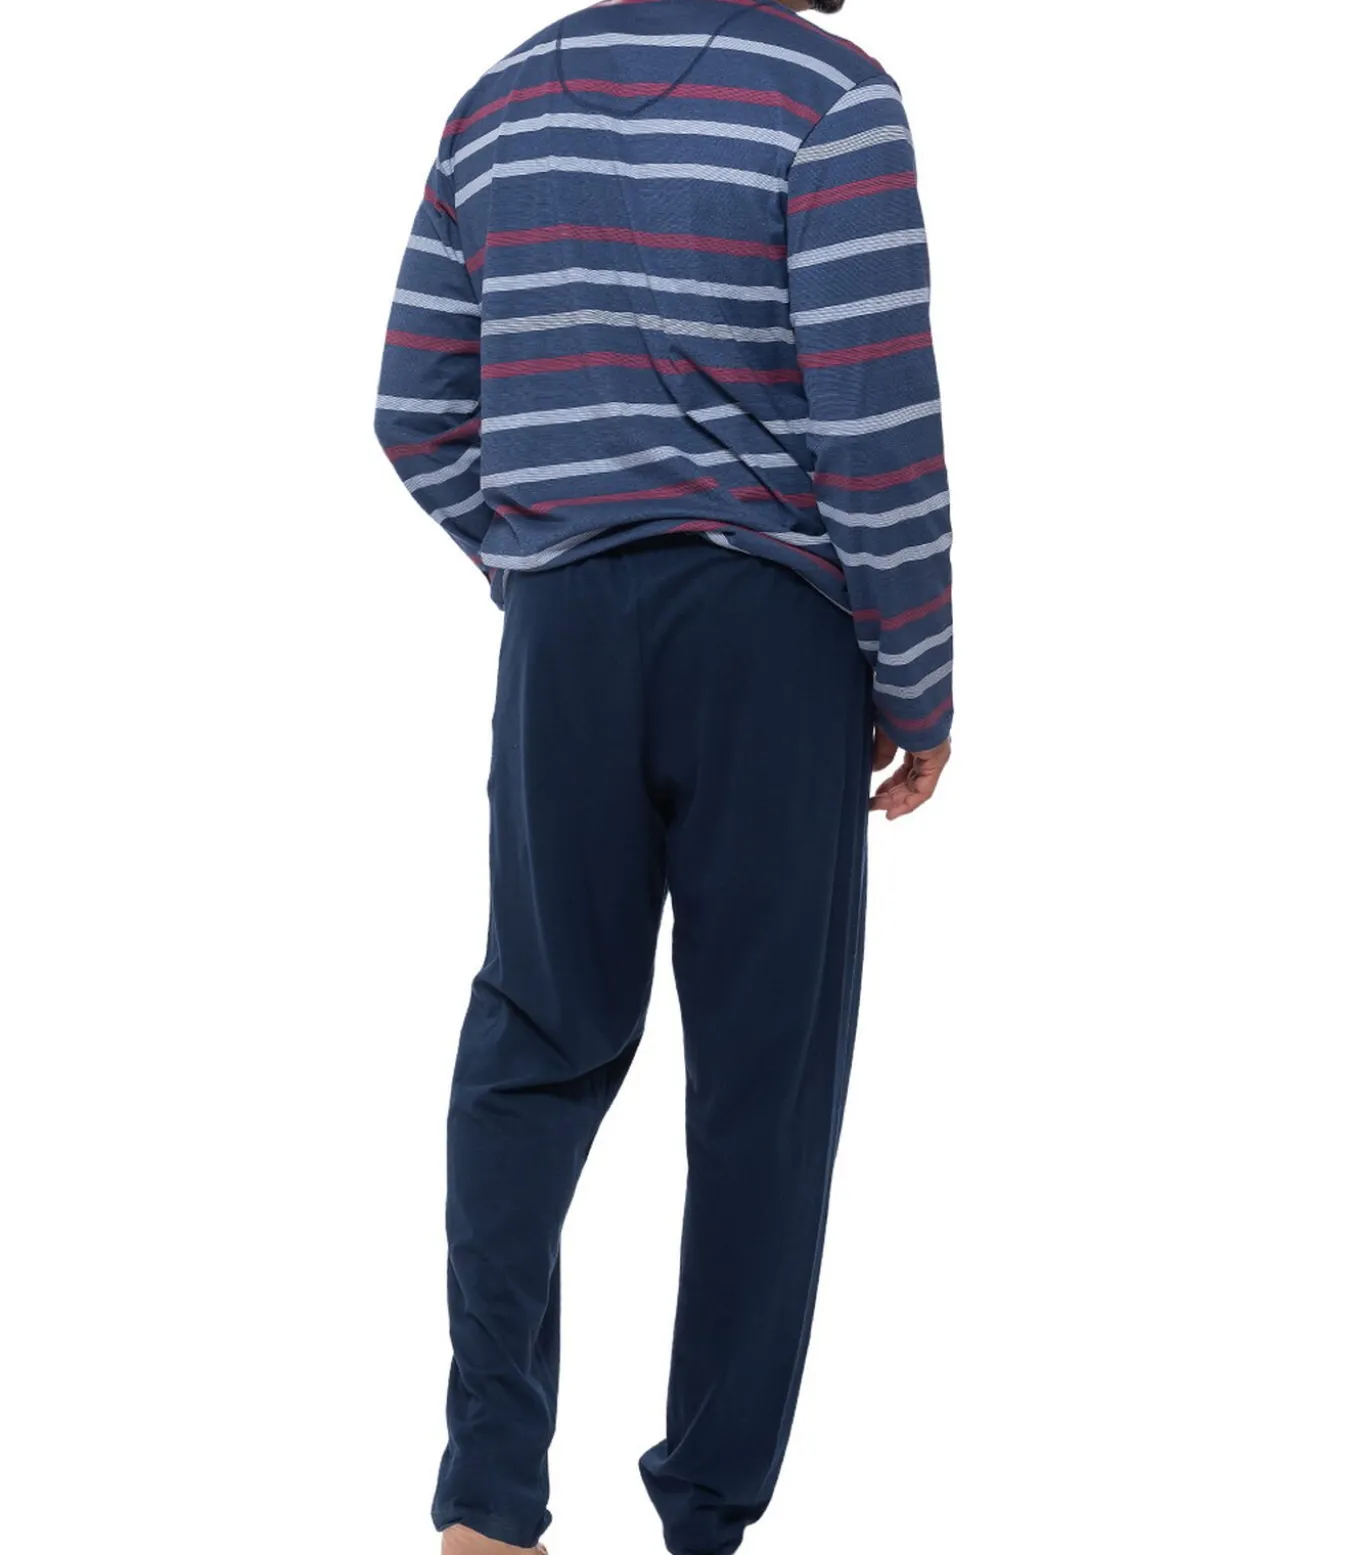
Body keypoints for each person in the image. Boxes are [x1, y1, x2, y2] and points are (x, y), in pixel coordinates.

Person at [373, 0, 953, 1546]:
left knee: (533, 1037)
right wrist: (916, 675)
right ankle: (704, 1516)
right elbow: (877, 427)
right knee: (765, 1082)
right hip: (773, 642)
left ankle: (487, 1496)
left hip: (566, 633)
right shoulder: (832, 98)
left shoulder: (500, 103)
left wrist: (542, 560)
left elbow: (412, 402)